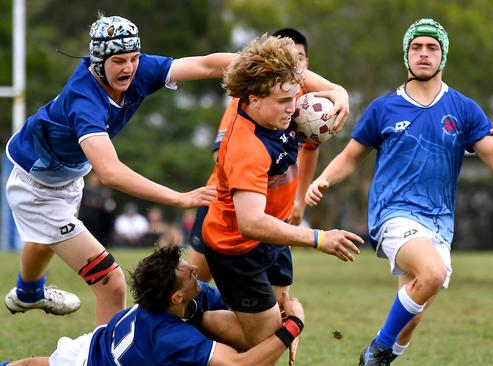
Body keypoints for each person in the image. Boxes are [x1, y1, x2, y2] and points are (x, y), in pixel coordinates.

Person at [3, 14, 238, 325]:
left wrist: (273, 67)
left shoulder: (140, 69)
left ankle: (28, 292)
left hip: (67, 177)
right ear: (99, 61)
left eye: (133, 58)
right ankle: (107, 357)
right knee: (111, 283)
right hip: (36, 189)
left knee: (45, 237)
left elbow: (209, 65)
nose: (128, 67)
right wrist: (178, 198)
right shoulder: (84, 99)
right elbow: (111, 173)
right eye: (118, 61)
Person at [305, 18, 493, 365]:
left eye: (432, 48)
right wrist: (323, 180)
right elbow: (350, 157)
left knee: (411, 317)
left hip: (440, 220)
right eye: (416, 47)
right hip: (394, 213)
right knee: (432, 274)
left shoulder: (463, 109)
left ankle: (381, 356)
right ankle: (376, 350)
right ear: (406, 55)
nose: (423, 53)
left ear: (442, 57)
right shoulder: (383, 108)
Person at [201, 34, 364, 364]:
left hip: (272, 235)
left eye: (294, 97)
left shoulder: (280, 86)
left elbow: (317, 84)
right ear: (254, 99)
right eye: (283, 102)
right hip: (236, 248)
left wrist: (339, 94)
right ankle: (184, 317)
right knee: (267, 342)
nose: (294, 108)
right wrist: (319, 238)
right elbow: (250, 223)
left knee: (276, 321)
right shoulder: (245, 147)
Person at [1, 246, 305, 366]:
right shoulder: (166, 335)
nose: (196, 271)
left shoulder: (186, 299)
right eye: (189, 273)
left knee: (29, 364)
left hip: (96, 345)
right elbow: (242, 364)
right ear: (175, 297)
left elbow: (249, 318)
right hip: (88, 361)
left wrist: (275, 316)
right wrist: (294, 326)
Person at [187, 28, 320, 283]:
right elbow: (221, 155)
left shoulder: (305, 107)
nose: (297, 65)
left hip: (270, 215)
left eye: (301, 58)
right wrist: (258, 179)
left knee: (275, 300)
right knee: (195, 283)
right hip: (224, 202)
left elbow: (311, 151)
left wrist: (299, 200)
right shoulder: (249, 104)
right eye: (293, 58)